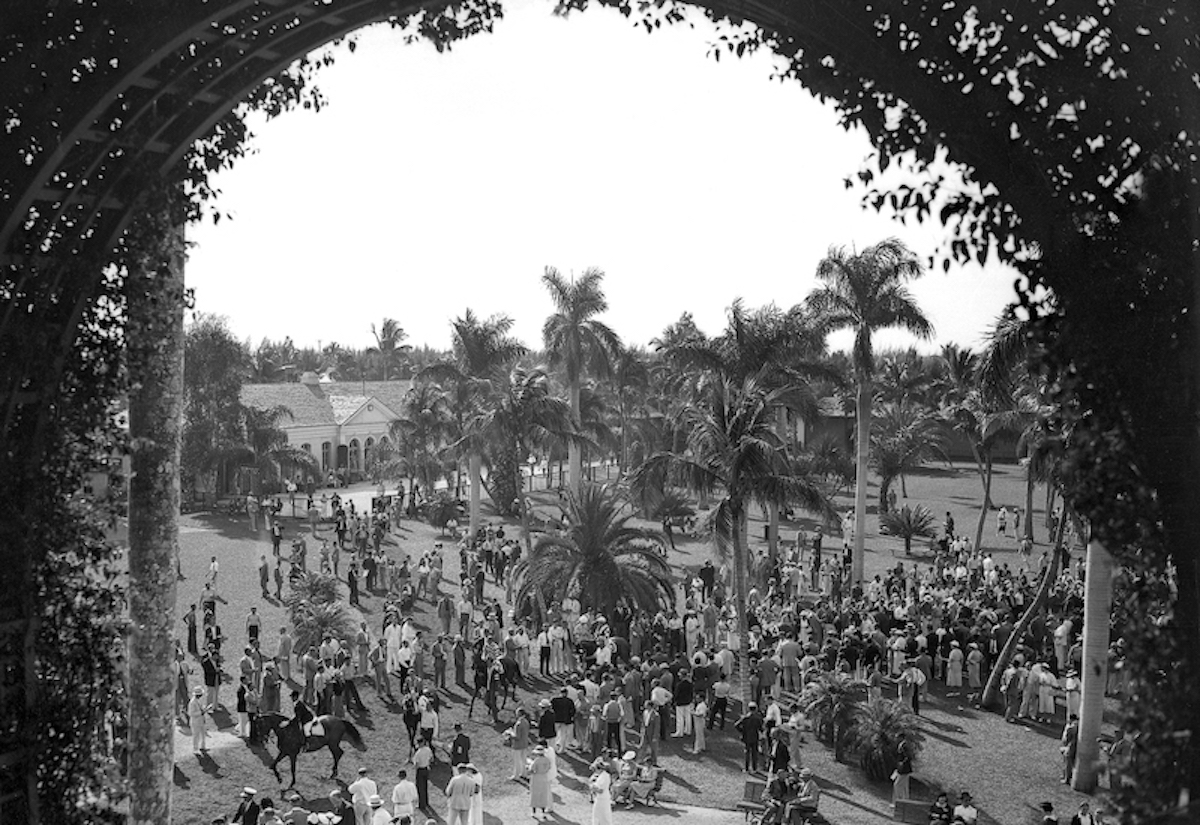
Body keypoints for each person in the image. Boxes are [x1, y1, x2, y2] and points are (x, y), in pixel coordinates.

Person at [734, 702, 764, 773]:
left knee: (747, 753)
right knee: (754, 753)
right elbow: (761, 728)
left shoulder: (745, 718)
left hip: (746, 737)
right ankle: (754, 768)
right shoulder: (757, 718)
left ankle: (746, 768)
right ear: (755, 709)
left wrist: (742, 731)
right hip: (755, 737)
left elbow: (736, 725)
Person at [527, 744, 553, 817]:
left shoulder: (536, 761)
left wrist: (528, 767)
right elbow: (549, 767)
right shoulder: (547, 760)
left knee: (535, 794)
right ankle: (543, 812)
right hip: (544, 777)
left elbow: (532, 770)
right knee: (543, 795)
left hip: (536, 778)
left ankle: (533, 812)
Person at [187, 685, 209, 756]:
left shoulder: (199, 700)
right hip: (195, 721)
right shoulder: (192, 703)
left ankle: (203, 746)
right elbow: (191, 713)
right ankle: (195, 749)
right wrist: (201, 712)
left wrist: (204, 709)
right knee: (196, 735)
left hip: (201, 720)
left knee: (203, 733)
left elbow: (201, 708)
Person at [413, 736, 434, 811]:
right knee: (425, 786)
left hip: (420, 770)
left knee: (420, 787)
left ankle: (422, 804)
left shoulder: (418, 753)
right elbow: (431, 759)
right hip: (426, 769)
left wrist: (415, 769)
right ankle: (426, 802)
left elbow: (416, 764)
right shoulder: (428, 749)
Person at [589, 761, 613, 825]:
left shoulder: (605, 777)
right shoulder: (602, 775)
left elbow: (601, 790)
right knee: (598, 815)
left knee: (603, 816)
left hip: (602, 799)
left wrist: (592, 787)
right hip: (600, 798)